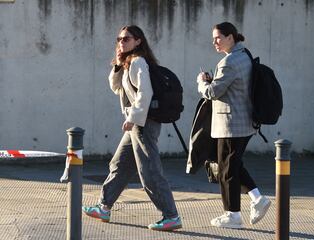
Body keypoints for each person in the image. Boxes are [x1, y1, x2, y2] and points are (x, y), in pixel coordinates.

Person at [82, 25, 182, 231]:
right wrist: (118, 65)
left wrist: (133, 118)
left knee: (150, 171)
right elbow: (116, 87)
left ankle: (171, 216)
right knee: (119, 164)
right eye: (119, 39)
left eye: (126, 39)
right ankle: (104, 206)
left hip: (143, 123)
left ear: (138, 41)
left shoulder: (138, 62)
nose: (121, 42)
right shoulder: (128, 63)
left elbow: (145, 94)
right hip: (137, 123)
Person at [196, 22, 271, 229]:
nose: (214, 42)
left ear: (231, 37)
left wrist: (202, 82)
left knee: (226, 170)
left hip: (230, 125)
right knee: (234, 165)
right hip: (244, 122)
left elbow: (213, 93)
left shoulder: (228, 62)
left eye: (218, 38)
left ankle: (233, 215)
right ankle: (257, 199)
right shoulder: (244, 54)